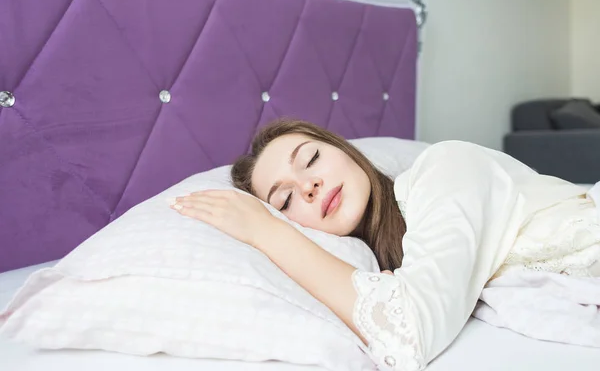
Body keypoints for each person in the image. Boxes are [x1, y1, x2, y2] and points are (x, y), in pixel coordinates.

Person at [171, 119, 600, 370]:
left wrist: (267, 229)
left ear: (345, 151)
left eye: (312, 159)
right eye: (284, 199)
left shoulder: (445, 168)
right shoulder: (396, 254)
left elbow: (410, 329)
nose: (309, 185)